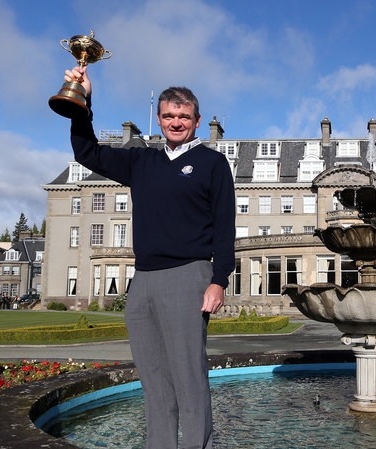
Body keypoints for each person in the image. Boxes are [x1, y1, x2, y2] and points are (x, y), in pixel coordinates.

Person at [64, 65, 236, 449]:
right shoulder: (141, 161)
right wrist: (83, 100)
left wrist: (218, 279)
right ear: (158, 119)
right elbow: (86, 151)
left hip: (188, 276)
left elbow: (225, 228)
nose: (176, 123)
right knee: (154, 383)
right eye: (169, 116)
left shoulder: (213, 164)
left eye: (184, 116)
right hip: (142, 283)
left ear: (196, 120)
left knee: (189, 381)